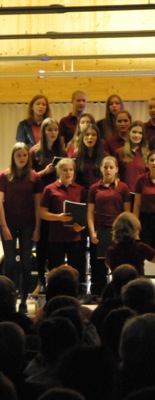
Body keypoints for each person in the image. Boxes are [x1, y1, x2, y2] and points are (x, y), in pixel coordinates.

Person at [0, 143, 42, 312]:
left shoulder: (34, 177)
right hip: (8, 224)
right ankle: (6, 300)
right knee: (9, 263)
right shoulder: (4, 176)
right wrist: (3, 226)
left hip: (28, 225)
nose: (22, 158)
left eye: (25, 155)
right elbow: (0, 203)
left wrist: (38, 228)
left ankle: (23, 301)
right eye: (18, 155)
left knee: (26, 263)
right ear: (13, 157)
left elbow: (38, 205)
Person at [87, 156, 132, 296]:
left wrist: (124, 232)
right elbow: (90, 213)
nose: (108, 170)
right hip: (100, 232)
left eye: (111, 167)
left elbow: (127, 213)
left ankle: (119, 295)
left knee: (118, 266)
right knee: (99, 268)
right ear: (101, 168)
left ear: (116, 169)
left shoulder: (123, 187)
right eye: (105, 167)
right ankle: (100, 296)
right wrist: (92, 232)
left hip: (118, 232)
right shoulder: (94, 188)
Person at [30, 117, 66, 287]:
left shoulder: (61, 151)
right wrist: (44, 172)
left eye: (55, 130)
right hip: (40, 198)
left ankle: (54, 277)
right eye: (49, 129)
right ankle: (41, 279)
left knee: (55, 242)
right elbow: (29, 177)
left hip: (57, 198)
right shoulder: (35, 151)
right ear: (43, 131)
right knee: (42, 241)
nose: (53, 133)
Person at [39, 158, 86, 281]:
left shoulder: (80, 189)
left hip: (75, 236)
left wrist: (82, 226)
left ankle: (75, 290)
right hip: (56, 236)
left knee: (75, 270)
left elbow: (86, 212)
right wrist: (58, 217)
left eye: (71, 170)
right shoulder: (50, 189)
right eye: (65, 170)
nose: (68, 172)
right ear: (59, 171)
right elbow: (42, 213)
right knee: (56, 271)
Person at [106, 212, 155, 276]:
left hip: (118, 285)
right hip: (138, 284)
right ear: (134, 229)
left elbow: (108, 264)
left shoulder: (111, 250)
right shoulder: (140, 247)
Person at [73, 124, 105, 198]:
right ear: (82, 137)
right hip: (81, 194)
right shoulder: (75, 157)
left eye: (93, 135)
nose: (90, 137)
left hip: (99, 194)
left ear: (98, 138)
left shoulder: (105, 156)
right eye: (87, 134)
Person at [116, 120, 150, 191]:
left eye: (140, 133)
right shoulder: (119, 152)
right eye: (134, 132)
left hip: (142, 192)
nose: (137, 135)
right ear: (129, 133)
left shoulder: (148, 154)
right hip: (124, 193)